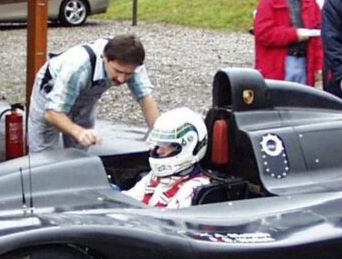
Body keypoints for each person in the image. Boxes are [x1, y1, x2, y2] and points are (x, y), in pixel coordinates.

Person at [27, 34, 158, 153]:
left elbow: (145, 98)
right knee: (44, 154)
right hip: (51, 92)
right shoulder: (77, 67)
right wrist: (78, 132)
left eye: (128, 74)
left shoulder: (132, 63)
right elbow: (52, 113)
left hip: (86, 96)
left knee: (80, 150)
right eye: (117, 71)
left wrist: (161, 137)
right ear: (104, 58)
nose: (121, 79)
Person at [253, 0, 322, 86]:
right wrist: (294, 34)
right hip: (278, 65)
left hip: (305, 64)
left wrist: (319, 66)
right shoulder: (269, 0)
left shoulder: (310, 0)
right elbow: (262, 33)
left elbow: (320, 36)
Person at [125, 107, 210, 209]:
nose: (158, 151)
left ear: (188, 146)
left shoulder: (191, 189)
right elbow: (126, 200)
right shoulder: (154, 177)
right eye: (158, 144)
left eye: (166, 145)